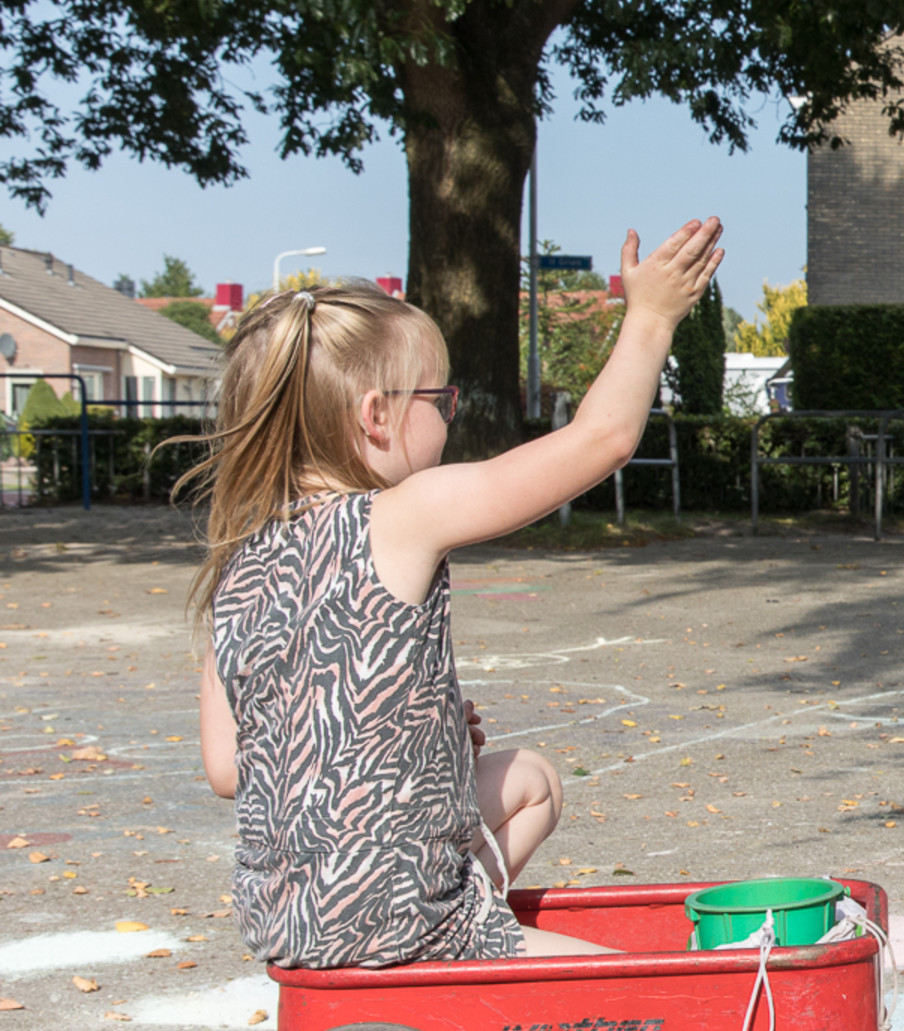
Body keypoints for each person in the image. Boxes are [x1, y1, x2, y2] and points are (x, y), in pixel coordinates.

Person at [187, 220, 725, 967]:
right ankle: (447, 945)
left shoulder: (235, 566)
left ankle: (435, 930)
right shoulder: (400, 516)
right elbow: (601, 441)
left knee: (528, 778)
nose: (451, 412)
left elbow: (228, 767)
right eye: (441, 398)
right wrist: (653, 315)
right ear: (376, 416)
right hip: (387, 909)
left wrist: (400, 732)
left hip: (288, 921)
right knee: (632, 990)